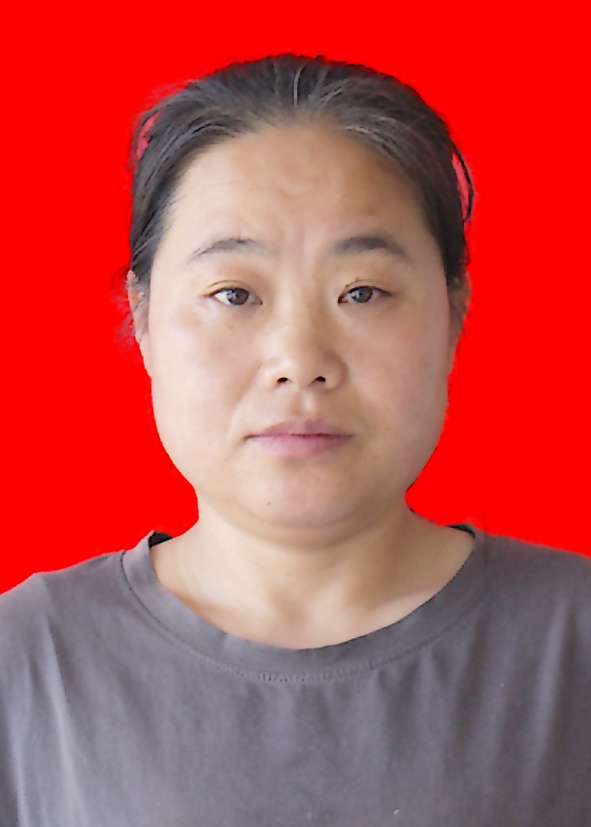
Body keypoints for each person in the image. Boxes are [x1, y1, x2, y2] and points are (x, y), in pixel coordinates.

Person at [1, 53, 589, 826]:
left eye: (362, 292)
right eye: (233, 293)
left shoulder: (573, 641)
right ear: (141, 317)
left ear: (453, 312)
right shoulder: (27, 661)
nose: (299, 359)